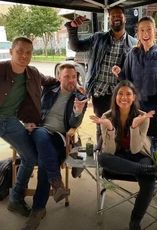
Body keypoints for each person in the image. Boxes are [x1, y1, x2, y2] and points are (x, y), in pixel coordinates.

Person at [90, 80, 157, 230]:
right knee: (102, 158)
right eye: (120, 93)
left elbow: (135, 149)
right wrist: (110, 128)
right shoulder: (106, 117)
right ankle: (149, 170)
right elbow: (109, 151)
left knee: (148, 183)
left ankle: (135, 221)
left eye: (128, 94)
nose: (124, 97)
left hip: (139, 155)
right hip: (118, 157)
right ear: (115, 97)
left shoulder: (142, 117)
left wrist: (134, 126)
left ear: (134, 97)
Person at [21, 63, 87, 230]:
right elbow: (34, 108)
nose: (71, 80)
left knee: (44, 158)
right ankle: (53, 189)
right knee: (42, 136)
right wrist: (28, 121)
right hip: (39, 131)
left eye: (74, 77)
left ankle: (39, 209)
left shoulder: (79, 97)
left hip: (59, 138)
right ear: (59, 77)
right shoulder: (49, 90)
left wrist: (78, 111)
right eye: (67, 77)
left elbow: (73, 124)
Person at [0, 37, 57, 217]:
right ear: (11, 52)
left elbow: (49, 80)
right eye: (19, 51)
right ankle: (15, 198)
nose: (24, 55)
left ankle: (16, 198)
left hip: (9, 121)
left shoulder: (32, 73)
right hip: (4, 120)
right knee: (30, 157)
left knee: (30, 156)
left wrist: (70, 83)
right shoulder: (1, 69)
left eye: (28, 52)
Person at [112, 16, 157, 152]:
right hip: (135, 109)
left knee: (152, 146)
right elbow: (126, 81)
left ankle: (153, 170)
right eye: (142, 30)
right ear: (138, 33)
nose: (145, 33)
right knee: (135, 144)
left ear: (155, 32)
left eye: (149, 29)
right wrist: (119, 73)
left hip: (156, 110)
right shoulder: (132, 54)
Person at [65, 5, 137, 144]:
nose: (116, 18)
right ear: (109, 20)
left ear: (124, 19)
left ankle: (116, 156)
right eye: (113, 16)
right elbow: (76, 46)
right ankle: (101, 154)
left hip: (120, 94)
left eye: (119, 15)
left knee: (120, 126)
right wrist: (72, 27)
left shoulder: (133, 43)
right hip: (100, 93)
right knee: (101, 125)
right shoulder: (98, 38)